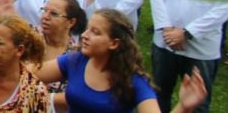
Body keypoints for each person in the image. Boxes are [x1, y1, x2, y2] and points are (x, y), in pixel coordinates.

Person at [35, 8, 208, 113]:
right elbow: (26, 74)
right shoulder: (75, 61)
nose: (85, 36)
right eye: (87, 29)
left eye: (95, 32)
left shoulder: (134, 81)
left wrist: (184, 106)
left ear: (114, 43)